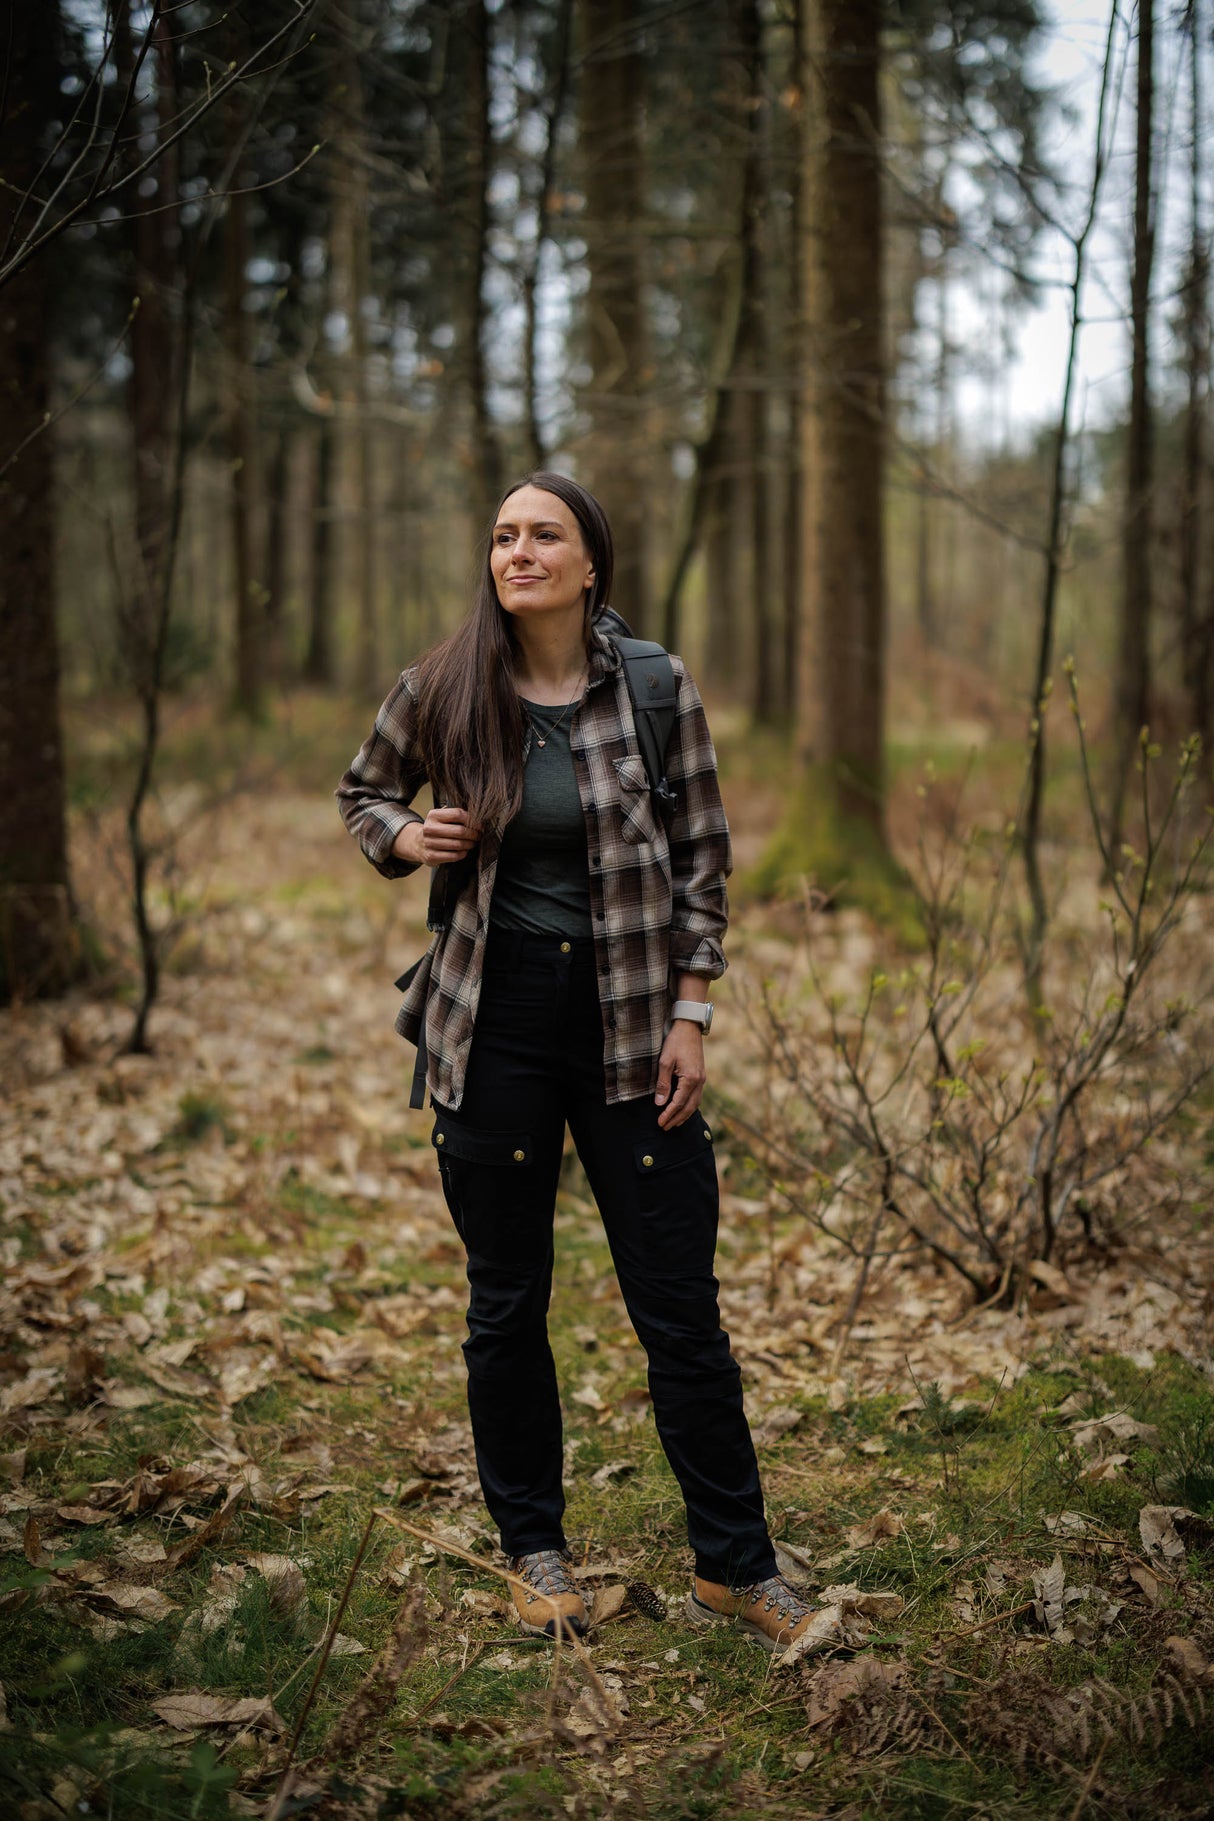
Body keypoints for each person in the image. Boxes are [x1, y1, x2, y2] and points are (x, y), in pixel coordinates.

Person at [336, 472, 827, 1654]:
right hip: (493, 1024)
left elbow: (702, 859)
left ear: (589, 561)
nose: (518, 551)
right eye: (502, 535)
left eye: (543, 534)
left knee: (678, 1309)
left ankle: (737, 1567)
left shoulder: (653, 687)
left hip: (629, 1026)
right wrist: (406, 835)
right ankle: (534, 1552)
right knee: (507, 1302)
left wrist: (692, 1012)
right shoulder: (444, 686)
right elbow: (362, 792)